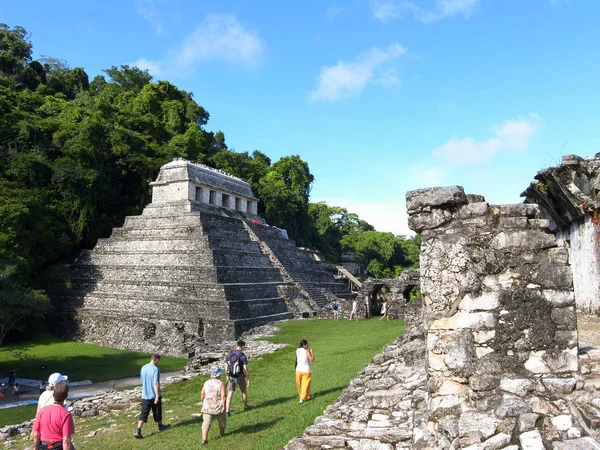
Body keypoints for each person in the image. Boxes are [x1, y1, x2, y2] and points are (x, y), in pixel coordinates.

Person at [135, 353, 170, 439]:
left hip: (145, 394)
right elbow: (155, 383)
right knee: (157, 411)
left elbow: (141, 379)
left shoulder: (143, 367)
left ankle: (138, 430)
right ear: (157, 360)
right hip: (153, 394)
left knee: (144, 412)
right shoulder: (156, 369)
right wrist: (157, 395)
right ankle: (160, 426)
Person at [32, 382, 75, 450]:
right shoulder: (66, 414)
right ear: (66, 396)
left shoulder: (42, 411)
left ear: (53, 395)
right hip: (58, 446)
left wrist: (35, 448)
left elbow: (36, 435)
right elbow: (66, 440)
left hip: (43, 446)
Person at [200, 366, 226, 445]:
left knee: (206, 422)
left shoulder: (206, 382)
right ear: (218, 374)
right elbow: (223, 396)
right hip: (218, 405)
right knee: (222, 421)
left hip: (207, 406)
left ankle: (204, 439)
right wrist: (224, 406)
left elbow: (202, 393)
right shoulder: (220, 383)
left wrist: (202, 401)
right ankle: (222, 433)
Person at [224, 340, 251, 416]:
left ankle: (227, 411)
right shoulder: (242, 356)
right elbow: (245, 368)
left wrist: (227, 376)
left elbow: (225, 366)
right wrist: (248, 379)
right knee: (243, 391)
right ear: (242, 346)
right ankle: (246, 406)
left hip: (230, 376)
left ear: (236, 345)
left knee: (230, 393)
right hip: (240, 376)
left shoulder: (230, 354)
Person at [295, 340, 315, 404]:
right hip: (306, 370)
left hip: (298, 370)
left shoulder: (297, 350)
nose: (308, 345)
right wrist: (311, 352)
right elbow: (312, 359)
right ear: (305, 345)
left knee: (299, 385)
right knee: (305, 385)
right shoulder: (306, 351)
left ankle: (305, 396)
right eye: (307, 344)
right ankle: (302, 398)